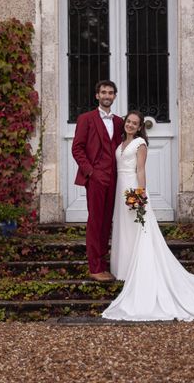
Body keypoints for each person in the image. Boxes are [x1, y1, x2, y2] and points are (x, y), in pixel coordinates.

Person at [102, 110, 194, 321]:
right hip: (120, 189)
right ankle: (125, 270)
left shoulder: (140, 144)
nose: (130, 125)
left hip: (132, 188)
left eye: (134, 123)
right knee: (124, 229)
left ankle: (139, 273)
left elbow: (140, 170)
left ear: (140, 127)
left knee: (139, 230)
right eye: (128, 121)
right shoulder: (120, 143)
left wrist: (140, 194)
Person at [72, 80, 124, 282]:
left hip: (115, 178)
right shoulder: (86, 119)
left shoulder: (119, 121)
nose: (107, 96)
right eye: (103, 92)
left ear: (114, 96)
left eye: (110, 92)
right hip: (95, 178)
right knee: (96, 221)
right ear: (97, 95)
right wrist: (90, 172)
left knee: (107, 221)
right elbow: (77, 148)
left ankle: (104, 263)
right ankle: (95, 267)